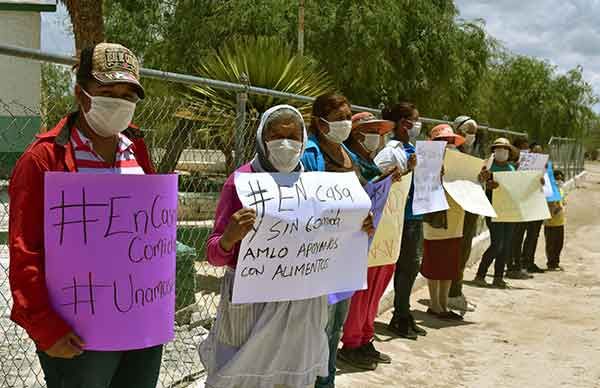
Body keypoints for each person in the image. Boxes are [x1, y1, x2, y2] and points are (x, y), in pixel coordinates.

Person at [8, 43, 160, 388]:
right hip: (77, 334)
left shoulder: (135, 149)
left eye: (128, 94)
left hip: (141, 322)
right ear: (80, 92)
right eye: (107, 91)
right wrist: (46, 328)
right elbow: (25, 250)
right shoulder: (44, 159)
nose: (119, 102)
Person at [199, 105, 332, 388]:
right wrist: (228, 239)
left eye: (293, 135)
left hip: (299, 306)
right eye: (276, 134)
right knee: (236, 375)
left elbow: (331, 244)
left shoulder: (315, 186)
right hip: (250, 304)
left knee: (288, 377)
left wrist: (359, 230)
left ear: (304, 138)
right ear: (262, 137)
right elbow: (213, 253)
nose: (286, 143)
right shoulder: (240, 181)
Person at [300, 93, 375, 388]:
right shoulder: (310, 154)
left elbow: (363, 195)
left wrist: (367, 218)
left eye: (348, 115)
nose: (345, 122)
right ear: (320, 122)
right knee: (318, 326)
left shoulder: (349, 155)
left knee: (335, 327)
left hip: (347, 254)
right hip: (320, 255)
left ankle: (326, 381)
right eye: (338, 117)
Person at [338, 112, 396, 370]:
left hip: (375, 238)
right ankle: (351, 343)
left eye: (379, 132)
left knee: (373, 290)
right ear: (357, 133)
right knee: (359, 293)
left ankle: (364, 338)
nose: (377, 137)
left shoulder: (370, 162)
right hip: (354, 238)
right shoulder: (349, 160)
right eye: (371, 131)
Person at [381, 103, 428, 340]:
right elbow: (382, 183)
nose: (418, 125)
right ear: (403, 123)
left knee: (411, 268)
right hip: (402, 218)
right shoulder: (391, 150)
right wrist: (409, 171)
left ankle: (403, 312)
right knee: (406, 268)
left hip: (415, 215)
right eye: (415, 120)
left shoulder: (411, 148)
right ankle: (399, 315)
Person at [420, 125, 466, 321]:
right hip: (435, 218)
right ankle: (434, 304)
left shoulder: (461, 162)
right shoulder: (425, 161)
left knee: (448, 264)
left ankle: (443, 304)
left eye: (449, 141)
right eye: (441, 141)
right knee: (435, 262)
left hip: (455, 219)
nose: (446, 145)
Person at [448, 116, 486, 313]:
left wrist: (483, 177)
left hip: (471, 207)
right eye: (466, 131)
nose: (470, 136)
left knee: (464, 249)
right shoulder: (450, 150)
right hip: (452, 209)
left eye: (473, 132)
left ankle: (456, 290)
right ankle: (449, 293)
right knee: (451, 250)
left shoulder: (477, 153)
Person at [474, 138, 517, 289]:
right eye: (498, 149)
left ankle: (498, 277)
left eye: (504, 149)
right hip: (493, 209)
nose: (501, 152)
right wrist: (488, 186)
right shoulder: (488, 167)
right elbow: (479, 183)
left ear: (509, 152)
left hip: (509, 210)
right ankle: (480, 274)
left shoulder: (512, 169)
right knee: (497, 243)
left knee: (506, 245)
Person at [509, 142, 546, 277]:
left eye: (539, 152)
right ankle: (515, 264)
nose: (537, 154)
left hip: (536, 202)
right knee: (518, 235)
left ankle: (528, 262)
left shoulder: (543, 167)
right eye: (534, 152)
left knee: (533, 235)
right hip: (523, 205)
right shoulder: (518, 165)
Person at [545, 170, 566, 271]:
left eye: (561, 178)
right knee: (551, 244)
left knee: (559, 244)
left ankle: (556, 262)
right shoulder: (550, 191)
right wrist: (556, 209)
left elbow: (563, 202)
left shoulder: (561, 190)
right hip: (550, 223)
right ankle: (551, 263)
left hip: (560, 222)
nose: (559, 181)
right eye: (557, 178)